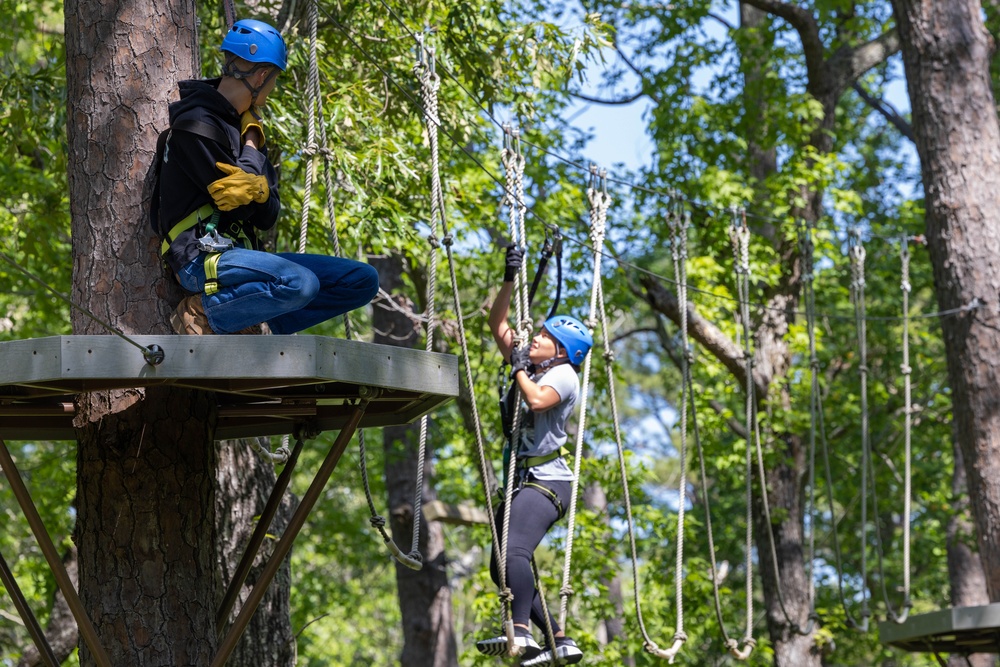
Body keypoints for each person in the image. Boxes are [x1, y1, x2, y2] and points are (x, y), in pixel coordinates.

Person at [157, 18, 378, 335]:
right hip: (198, 258)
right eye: (272, 81)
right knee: (299, 282)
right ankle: (203, 314)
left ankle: (252, 318)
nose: (270, 89)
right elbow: (238, 205)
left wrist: (258, 185)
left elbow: (267, 214)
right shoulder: (196, 125)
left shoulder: (246, 130)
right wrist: (251, 146)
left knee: (361, 280)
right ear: (262, 76)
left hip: (239, 257)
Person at [476, 244, 589, 666]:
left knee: (515, 552)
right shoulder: (534, 364)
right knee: (498, 563)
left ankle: (519, 632)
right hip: (526, 479)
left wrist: (520, 367)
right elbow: (497, 321)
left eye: (545, 336)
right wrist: (509, 277)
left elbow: (539, 401)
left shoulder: (563, 374)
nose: (536, 337)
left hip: (547, 480)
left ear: (560, 349)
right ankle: (558, 639)